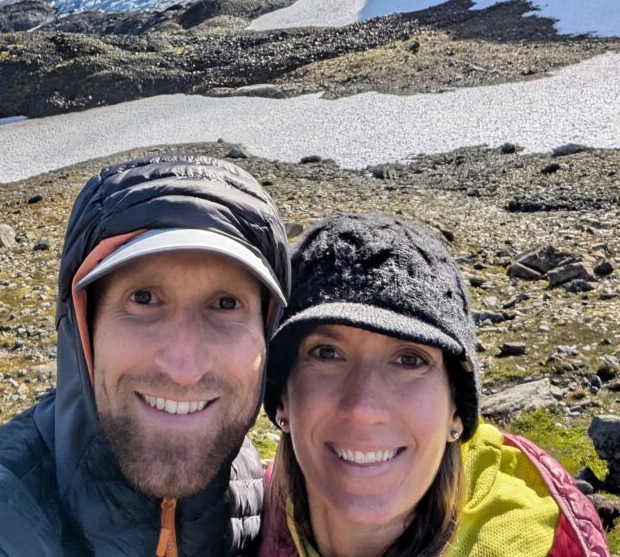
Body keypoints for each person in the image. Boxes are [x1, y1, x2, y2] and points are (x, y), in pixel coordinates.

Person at [0, 153, 291, 557]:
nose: (184, 368)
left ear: (266, 332)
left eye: (226, 304)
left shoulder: (254, 485)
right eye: (143, 298)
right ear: (82, 329)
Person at [258, 213, 608, 557]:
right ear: (283, 398)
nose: (363, 408)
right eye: (327, 353)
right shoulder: (238, 520)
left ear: (456, 410)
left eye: (409, 360)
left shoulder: (537, 546)